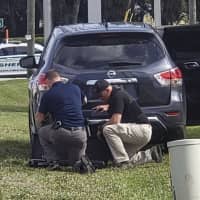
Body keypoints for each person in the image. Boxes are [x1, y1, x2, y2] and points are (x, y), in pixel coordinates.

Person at [94, 79, 162, 168]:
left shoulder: (118, 96)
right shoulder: (116, 95)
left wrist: (101, 127)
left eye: (100, 94)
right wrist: (107, 107)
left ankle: (123, 163)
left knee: (108, 129)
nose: (100, 97)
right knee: (123, 157)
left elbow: (115, 121)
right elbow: (121, 106)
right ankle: (151, 154)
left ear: (107, 90)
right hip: (141, 131)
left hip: (141, 130)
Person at [36, 70, 87, 170]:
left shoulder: (48, 94)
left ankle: (53, 161)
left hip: (61, 132)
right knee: (74, 163)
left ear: (48, 80)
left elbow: (39, 117)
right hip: (80, 134)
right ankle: (79, 163)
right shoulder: (75, 88)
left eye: (46, 83)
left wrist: (44, 120)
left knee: (42, 132)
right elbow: (84, 101)